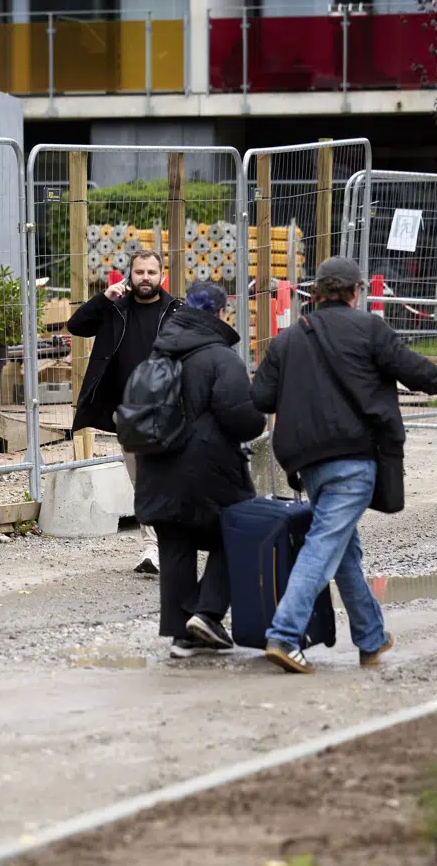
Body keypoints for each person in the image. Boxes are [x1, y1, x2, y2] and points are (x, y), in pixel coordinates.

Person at [250, 256, 437, 674]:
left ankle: (370, 637)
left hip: (308, 462)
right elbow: (413, 371)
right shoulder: (369, 328)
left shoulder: (286, 340)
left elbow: (260, 398)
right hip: (353, 460)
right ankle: (284, 635)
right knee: (324, 545)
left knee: (342, 548)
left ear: (314, 295)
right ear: (356, 292)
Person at [132, 281, 266, 658]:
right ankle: (207, 614)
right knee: (237, 534)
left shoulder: (157, 354)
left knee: (175, 543)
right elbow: (242, 419)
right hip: (209, 472)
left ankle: (182, 635)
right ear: (221, 313)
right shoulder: (222, 358)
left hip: (157, 468)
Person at [66, 251, 183, 576]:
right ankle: (153, 547)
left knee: (166, 478)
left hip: (167, 409)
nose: (145, 277)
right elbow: (76, 326)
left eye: (151, 271)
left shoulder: (176, 311)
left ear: (162, 275)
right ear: (128, 275)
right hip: (127, 412)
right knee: (143, 481)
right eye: (139, 271)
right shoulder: (114, 308)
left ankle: (165, 542)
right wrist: (102, 298)